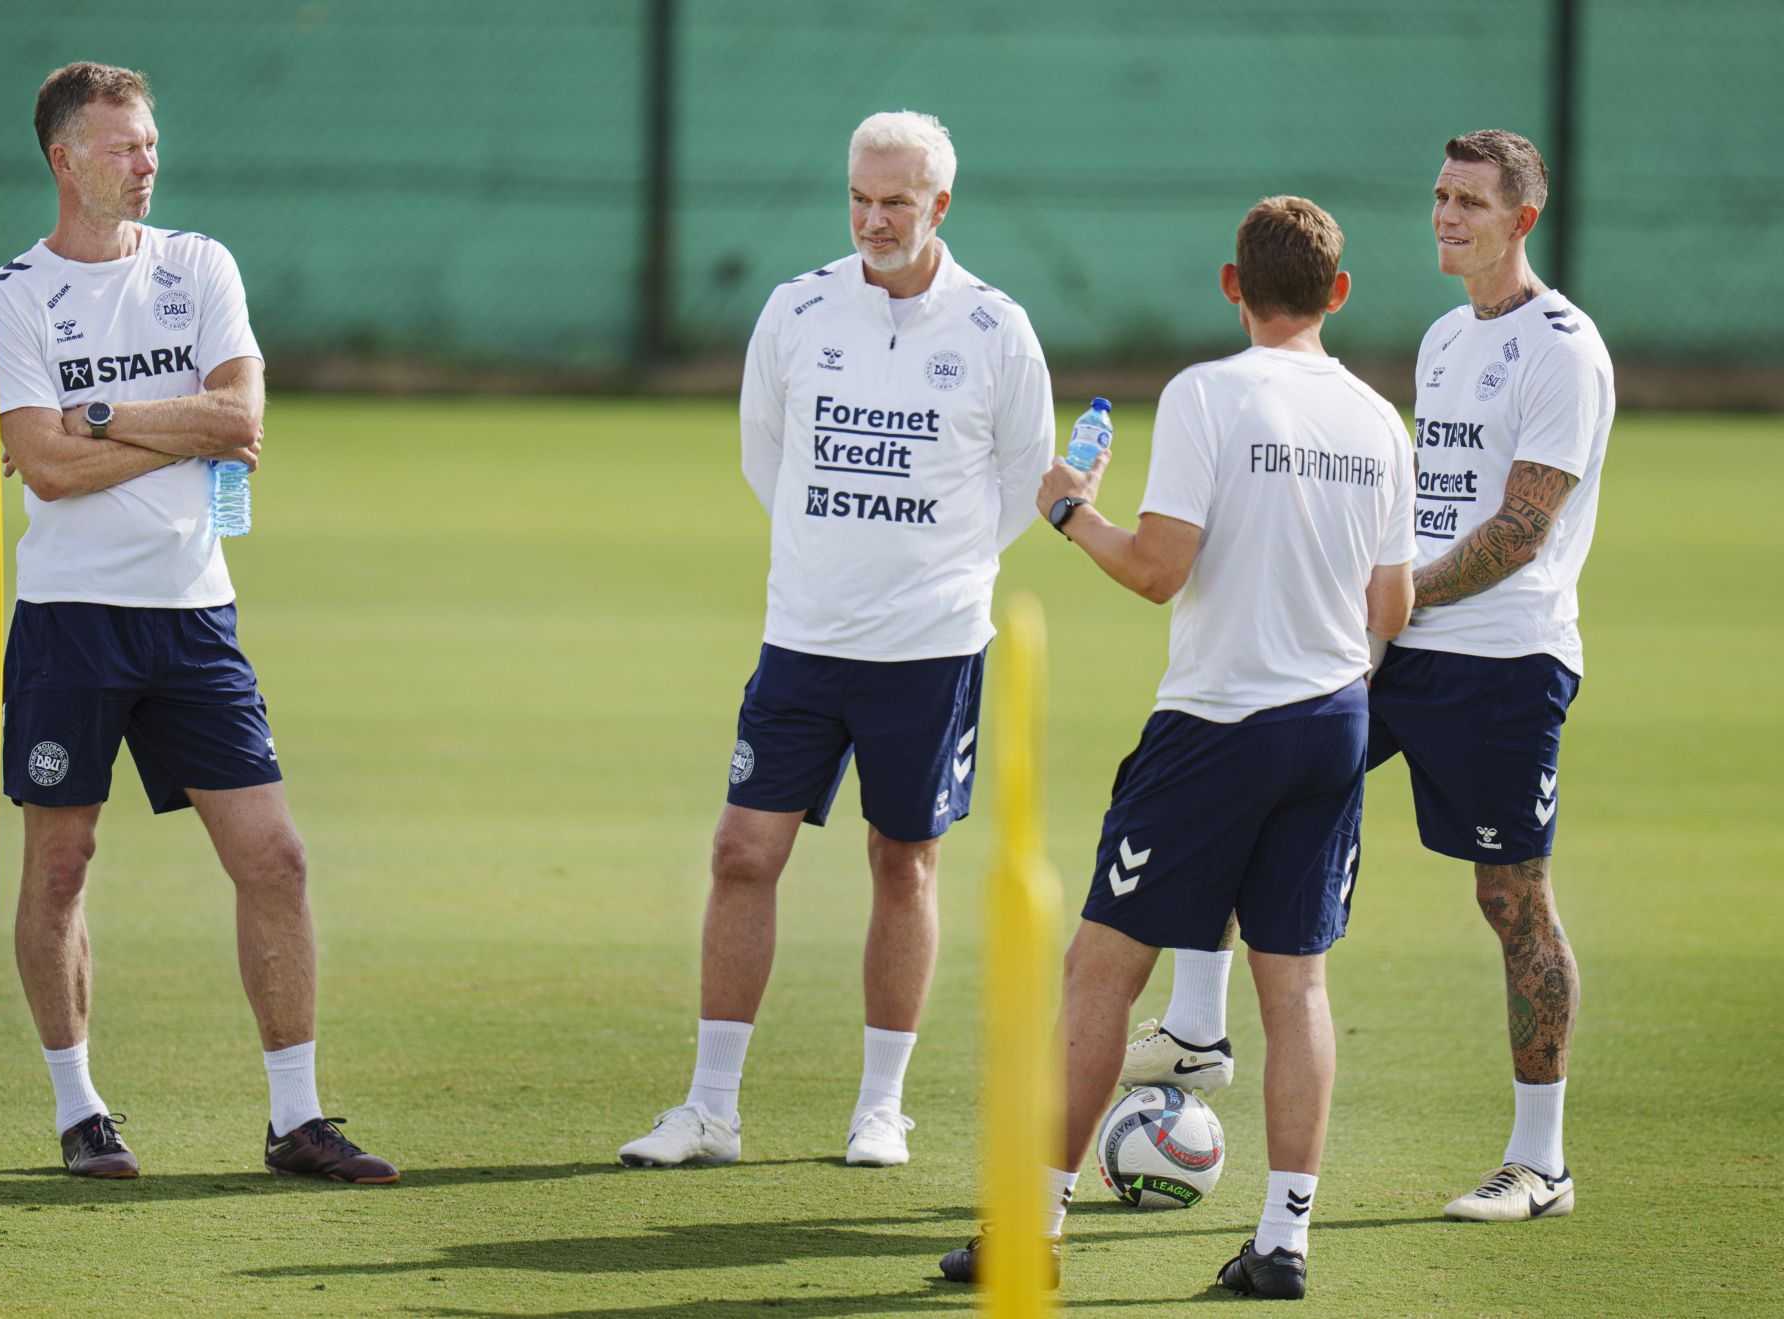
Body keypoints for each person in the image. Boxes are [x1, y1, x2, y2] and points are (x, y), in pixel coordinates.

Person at [1129, 130, 1612, 1224]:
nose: (1447, 215)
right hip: (1395, 642)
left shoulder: (1565, 349)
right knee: (1248, 779)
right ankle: (1197, 1028)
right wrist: (1376, 599)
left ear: (1522, 219)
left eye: (1471, 201)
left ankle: (1541, 1162)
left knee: (1511, 898)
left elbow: (1522, 527)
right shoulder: (1444, 337)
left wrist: (1389, 594)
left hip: (1504, 659)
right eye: (1440, 196)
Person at [939, 196, 1416, 1298]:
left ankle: (1035, 1227)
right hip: (1333, 723)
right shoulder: (1379, 420)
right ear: (1339, 293)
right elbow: (1390, 606)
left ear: (1232, 285)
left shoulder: (1209, 392)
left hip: (1217, 725)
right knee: (1296, 988)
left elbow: (1158, 569)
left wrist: (1071, 511)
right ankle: (1284, 1242)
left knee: (1100, 971)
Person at [618, 110, 1055, 1170]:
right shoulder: (797, 308)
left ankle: (881, 1107)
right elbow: (765, 456)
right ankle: (711, 1109)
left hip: (930, 648)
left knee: (904, 861)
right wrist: (832, 561)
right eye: (859, 197)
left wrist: (930, 573)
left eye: (895, 201)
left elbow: (1022, 483)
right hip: (803, 639)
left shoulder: (997, 329)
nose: (873, 219)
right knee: (741, 852)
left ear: (940, 204)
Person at [0, 62, 396, 1183]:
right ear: (65, 159)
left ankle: (296, 1118)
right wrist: (170, 428)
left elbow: (241, 417)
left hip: (193, 614)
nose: (147, 161)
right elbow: (45, 467)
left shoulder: (199, 263)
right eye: (122, 145)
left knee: (275, 857)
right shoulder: (17, 293)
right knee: (62, 861)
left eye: (151, 142)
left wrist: (100, 413)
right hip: (70, 618)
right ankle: (80, 1110)